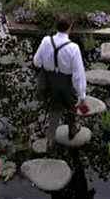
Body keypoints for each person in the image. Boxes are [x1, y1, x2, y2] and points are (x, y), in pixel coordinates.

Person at [33, 13, 87, 142]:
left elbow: (36, 62)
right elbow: (78, 74)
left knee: (55, 107)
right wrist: (83, 95)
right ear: (70, 27)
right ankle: (72, 129)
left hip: (51, 81)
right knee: (72, 105)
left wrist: (48, 64)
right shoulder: (73, 48)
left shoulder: (46, 41)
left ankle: (51, 136)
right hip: (67, 82)